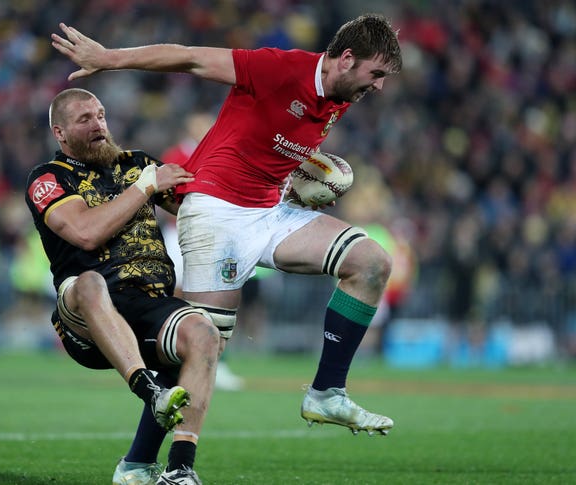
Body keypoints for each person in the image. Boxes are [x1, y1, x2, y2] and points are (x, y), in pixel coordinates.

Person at [52, 13, 402, 437]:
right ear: (346, 58)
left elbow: (269, 146)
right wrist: (108, 58)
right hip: (216, 210)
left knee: (370, 262)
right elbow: (189, 58)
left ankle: (327, 391)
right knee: (198, 350)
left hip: (268, 211)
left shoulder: (341, 95)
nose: (379, 86)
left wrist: (293, 181)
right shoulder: (280, 67)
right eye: (376, 73)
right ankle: (141, 462)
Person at [25, 88, 217, 484]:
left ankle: (177, 468)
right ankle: (149, 389)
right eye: (84, 119)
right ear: (60, 133)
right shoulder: (49, 178)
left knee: (203, 334)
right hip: (86, 314)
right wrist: (145, 188)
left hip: (148, 302)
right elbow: (84, 232)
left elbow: (203, 204)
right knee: (89, 282)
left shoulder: (137, 164)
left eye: (100, 114)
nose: (98, 124)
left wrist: (280, 195)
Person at [161, 110, 245, 391]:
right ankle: (174, 355)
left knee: (221, 296)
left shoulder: (222, 151)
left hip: (219, 234)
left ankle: (216, 362)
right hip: (180, 232)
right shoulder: (176, 153)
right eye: (199, 123)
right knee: (178, 292)